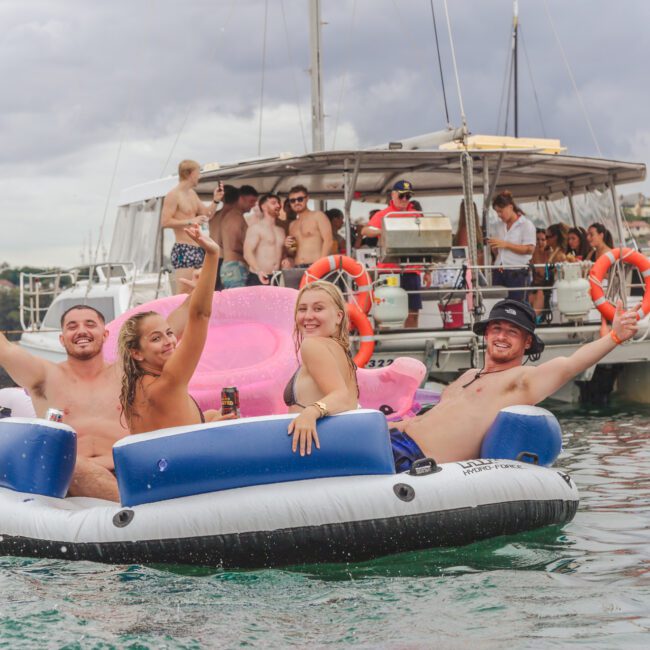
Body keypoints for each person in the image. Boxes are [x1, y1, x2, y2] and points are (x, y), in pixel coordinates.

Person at [390, 298, 638, 469]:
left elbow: (570, 364)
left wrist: (614, 337)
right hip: (397, 441)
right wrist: (387, 425)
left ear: (527, 343)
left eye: (512, 332)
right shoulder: (468, 376)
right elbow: (426, 420)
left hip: (416, 461)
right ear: (486, 334)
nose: (501, 336)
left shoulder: (520, 380)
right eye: (496, 328)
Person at [0, 293, 194, 501]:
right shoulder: (44, 376)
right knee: (68, 462)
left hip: (126, 469)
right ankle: (137, 509)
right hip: (70, 479)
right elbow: (5, 348)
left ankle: (136, 508)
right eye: (72, 326)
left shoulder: (128, 371)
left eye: (90, 324)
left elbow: (176, 322)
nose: (81, 331)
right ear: (62, 338)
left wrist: (207, 274)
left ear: (105, 334)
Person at [118, 226, 233, 434]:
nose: (169, 341)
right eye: (156, 339)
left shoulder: (138, 384)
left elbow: (169, 429)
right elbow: (200, 316)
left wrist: (196, 293)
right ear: (136, 353)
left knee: (213, 412)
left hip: (156, 463)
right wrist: (212, 255)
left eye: (169, 334)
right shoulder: (168, 382)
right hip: (178, 466)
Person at [285, 281, 359, 456]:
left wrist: (311, 412)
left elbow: (342, 397)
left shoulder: (312, 345)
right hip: (336, 446)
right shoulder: (339, 349)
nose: (308, 316)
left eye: (318, 309)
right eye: (302, 309)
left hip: (313, 450)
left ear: (339, 317)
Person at [360, 180, 424, 328]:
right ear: (393, 195)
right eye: (401, 195)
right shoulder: (384, 214)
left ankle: (411, 344)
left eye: (408, 196)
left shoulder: (416, 215)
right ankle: (385, 344)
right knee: (385, 311)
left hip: (411, 269)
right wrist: (384, 231)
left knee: (412, 311)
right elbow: (365, 231)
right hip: (388, 270)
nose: (404, 199)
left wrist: (428, 270)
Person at [161, 160, 223, 294]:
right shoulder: (173, 195)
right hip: (183, 249)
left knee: (199, 291)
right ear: (189, 174)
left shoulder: (192, 194)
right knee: (184, 291)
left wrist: (216, 200)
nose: (199, 176)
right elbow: (165, 222)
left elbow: (207, 215)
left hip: (198, 249)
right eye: (198, 172)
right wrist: (190, 221)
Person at [487, 190, 536, 301]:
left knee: (517, 305)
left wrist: (506, 244)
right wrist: (494, 247)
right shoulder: (499, 226)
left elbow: (530, 249)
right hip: (499, 270)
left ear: (510, 207)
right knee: (498, 303)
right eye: (497, 212)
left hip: (517, 271)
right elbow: (498, 251)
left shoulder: (526, 225)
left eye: (501, 211)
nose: (499, 215)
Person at [219, 185, 259, 289]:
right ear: (241, 199)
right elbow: (234, 244)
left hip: (232, 266)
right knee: (238, 302)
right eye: (251, 201)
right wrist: (249, 251)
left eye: (255, 202)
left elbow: (220, 242)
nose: (253, 205)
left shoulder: (232, 216)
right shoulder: (235, 217)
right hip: (235, 267)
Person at [243, 193, 286, 285]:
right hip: (258, 276)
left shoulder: (281, 231)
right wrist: (259, 271)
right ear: (264, 207)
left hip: (276, 276)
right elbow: (247, 253)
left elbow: (283, 253)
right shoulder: (256, 228)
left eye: (278, 203)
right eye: (273, 203)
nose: (278, 205)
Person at [286, 185, 333, 267]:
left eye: (300, 199)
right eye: (292, 201)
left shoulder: (318, 216)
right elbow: (292, 251)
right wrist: (288, 246)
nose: (296, 202)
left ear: (307, 198)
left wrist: (320, 265)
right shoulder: (292, 225)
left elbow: (328, 241)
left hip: (315, 265)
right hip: (297, 266)